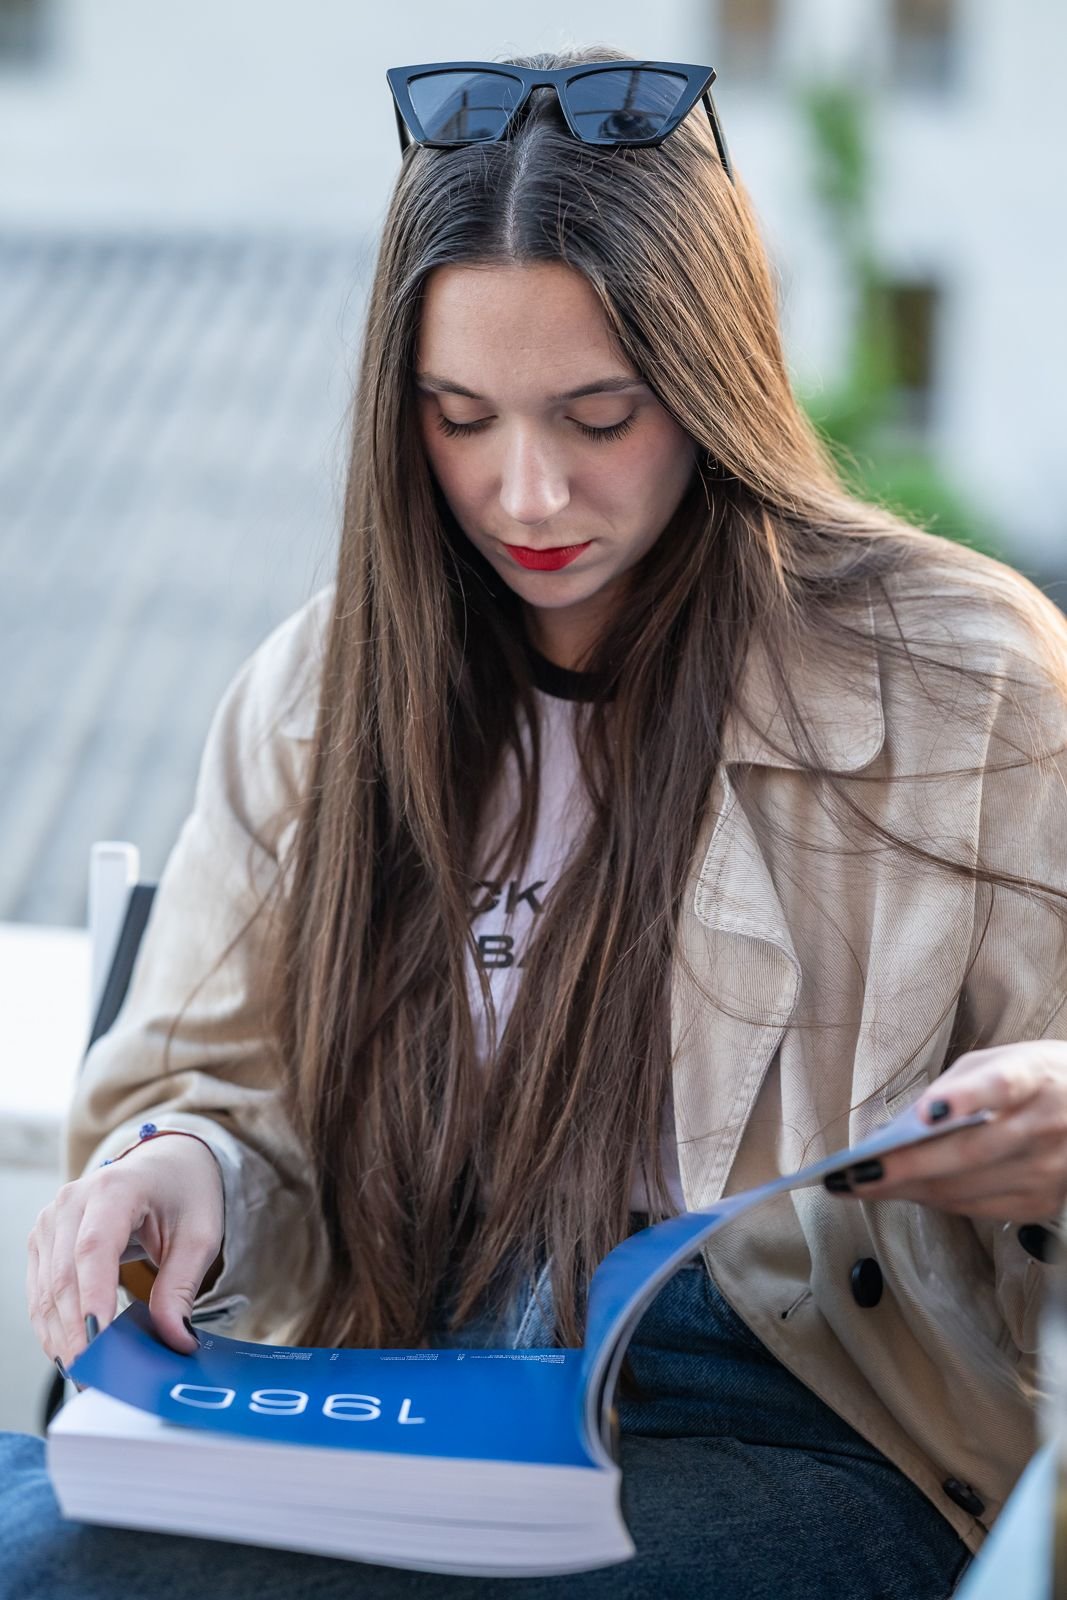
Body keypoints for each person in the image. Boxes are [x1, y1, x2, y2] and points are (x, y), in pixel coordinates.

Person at [4, 41, 1067, 1600]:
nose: (527, 495)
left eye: (598, 414)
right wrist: (183, 1167)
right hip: (402, 1384)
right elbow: (206, 1083)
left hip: (800, 1422)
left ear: (711, 382)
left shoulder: (962, 678)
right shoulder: (320, 691)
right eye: (459, 417)